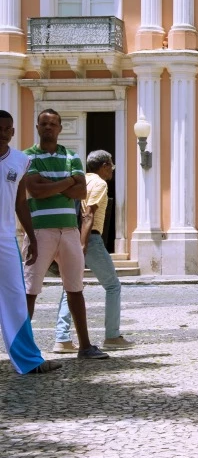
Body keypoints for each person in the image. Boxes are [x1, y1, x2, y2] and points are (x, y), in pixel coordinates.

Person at [23, 109, 107, 360]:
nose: (49, 127)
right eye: (44, 123)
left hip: (69, 230)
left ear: (60, 128)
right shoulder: (28, 156)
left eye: (53, 124)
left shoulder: (72, 156)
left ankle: (85, 346)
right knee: (30, 290)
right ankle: (24, 349)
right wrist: (67, 182)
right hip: (40, 231)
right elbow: (35, 191)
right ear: (37, 127)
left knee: (75, 288)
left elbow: (81, 192)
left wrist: (53, 185)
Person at [0, 110, 62, 374]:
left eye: (7, 129)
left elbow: (20, 203)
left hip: (5, 238)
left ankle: (28, 360)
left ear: (13, 132)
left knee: (15, 297)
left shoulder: (20, 160)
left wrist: (32, 237)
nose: (2, 133)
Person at [52, 150, 132, 353]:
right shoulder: (99, 183)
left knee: (70, 287)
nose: (111, 170)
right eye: (111, 166)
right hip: (90, 239)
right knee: (113, 286)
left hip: (70, 234)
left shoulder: (81, 180)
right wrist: (82, 245)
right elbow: (88, 214)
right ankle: (112, 336)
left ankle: (62, 339)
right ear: (104, 165)